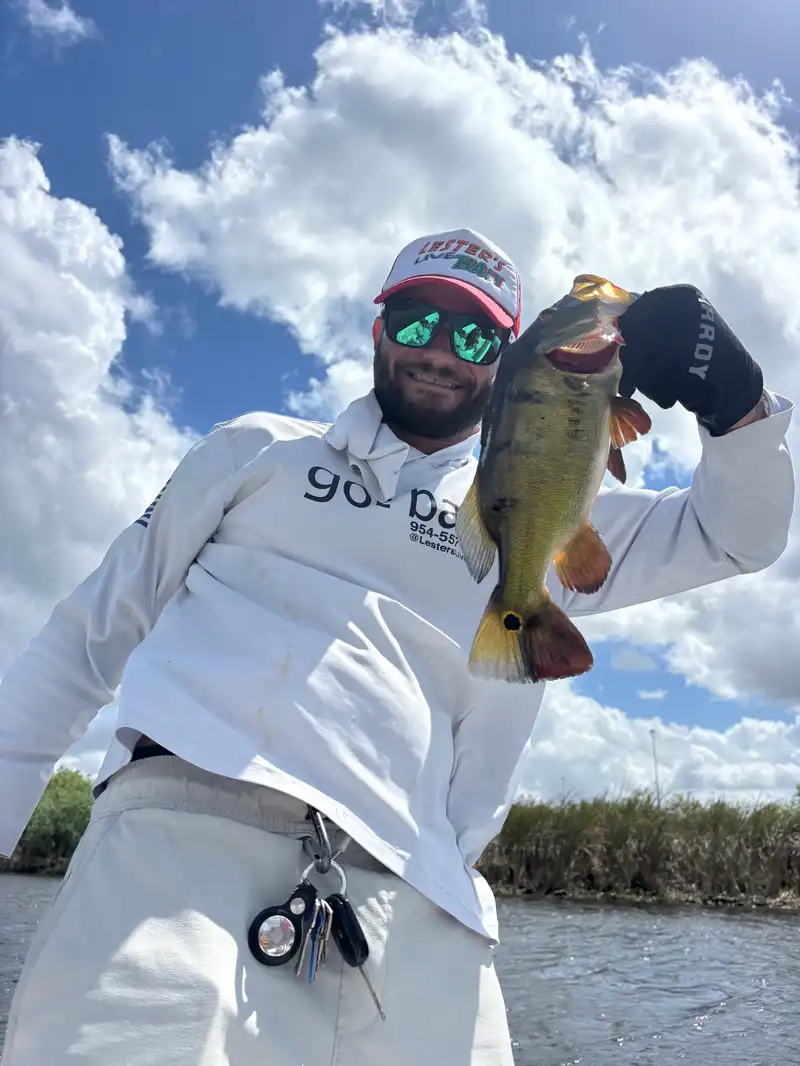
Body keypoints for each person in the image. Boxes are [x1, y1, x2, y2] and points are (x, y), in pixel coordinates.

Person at [0, 226, 794, 1066]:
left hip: (428, 897)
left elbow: (737, 535)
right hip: (174, 851)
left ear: (504, 356)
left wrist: (735, 396)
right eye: (417, 323)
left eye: (475, 334)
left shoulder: (551, 500)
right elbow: (88, 635)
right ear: (378, 330)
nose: (441, 353)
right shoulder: (257, 449)